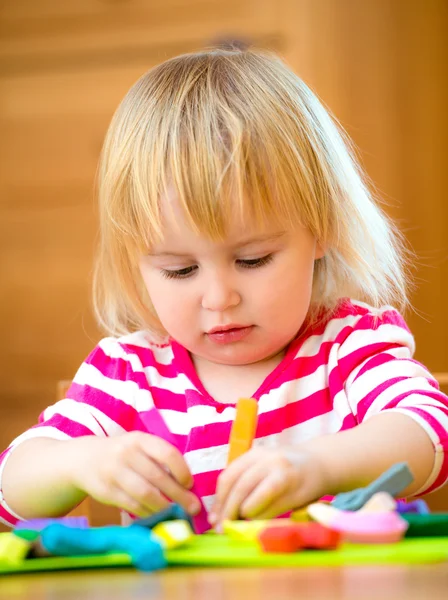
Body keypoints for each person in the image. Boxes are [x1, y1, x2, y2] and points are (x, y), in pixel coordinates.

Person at [1, 47, 447, 533]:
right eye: (179, 270)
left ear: (320, 230)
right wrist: (83, 462)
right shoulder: (128, 375)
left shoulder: (349, 345)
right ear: (138, 260)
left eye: (252, 260)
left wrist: (319, 466)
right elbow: (13, 489)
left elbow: (428, 431)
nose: (219, 298)